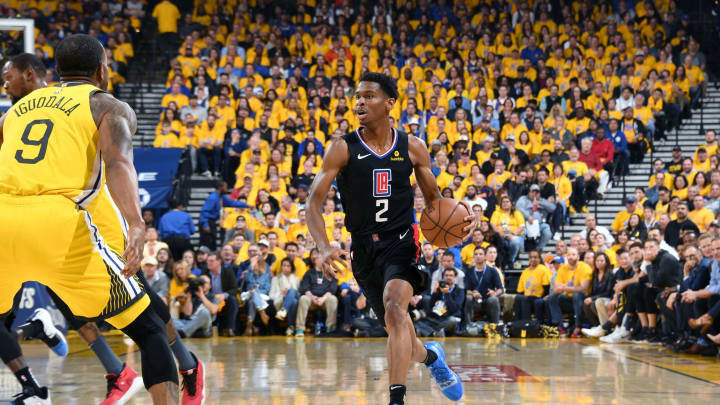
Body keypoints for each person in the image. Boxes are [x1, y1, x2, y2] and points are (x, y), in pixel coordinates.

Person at [2, 51, 206, 405]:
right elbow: (119, 161)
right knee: (144, 320)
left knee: (137, 295)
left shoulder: (14, 114)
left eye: (10, 78)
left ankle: (184, 364)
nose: (6, 84)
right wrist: (137, 223)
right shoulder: (104, 106)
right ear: (101, 69)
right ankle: (154, 368)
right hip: (69, 221)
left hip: (24, 220)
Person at [307, 73, 470, 404]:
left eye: (369, 96)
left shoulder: (413, 146)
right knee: (405, 342)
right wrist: (323, 246)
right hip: (364, 250)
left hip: (401, 242)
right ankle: (432, 358)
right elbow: (313, 202)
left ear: (390, 103)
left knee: (397, 307)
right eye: (357, 97)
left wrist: (465, 218)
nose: (360, 102)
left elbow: (436, 202)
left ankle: (397, 399)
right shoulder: (342, 148)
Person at [548, 247, 593, 338]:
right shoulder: (563, 268)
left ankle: (578, 326)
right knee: (552, 297)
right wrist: (563, 288)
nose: (571, 257)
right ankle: (560, 326)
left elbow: (584, 289)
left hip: (583, 299)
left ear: (578, 257)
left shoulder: (585, 267)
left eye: (573, 255)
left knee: (577, 295)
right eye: (569, 255)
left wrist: (565, 288)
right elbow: (556, 289)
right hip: (568, 299)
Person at [295, 248, 339, 336]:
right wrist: (313, 297)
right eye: (321, 258)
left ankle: (330, 328)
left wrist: (323, 299)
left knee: (333, 299)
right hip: (311, 300)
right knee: (303, 298)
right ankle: (300, 329)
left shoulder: (330, 273)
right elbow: (305, 288)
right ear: (315, 260)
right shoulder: (309, 273)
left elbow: (333, 289)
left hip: (325, 300)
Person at [199, 180, 250, 250]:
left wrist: (247, 205)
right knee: (206, 244)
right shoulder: (212, 197)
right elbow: (204, 211)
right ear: (220, 187)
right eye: (225, 187)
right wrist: (205, 225)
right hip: (207, 222)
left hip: (212, 222)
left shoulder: (221, 197)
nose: (227, 189)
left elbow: (232, 203)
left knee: (212, 243)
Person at [463, 247, 504, 325]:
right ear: (473, 257)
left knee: (494, 299)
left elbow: (501, 289)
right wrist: (472, 293)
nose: (478, 256)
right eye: (476, 254)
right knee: (468, 298)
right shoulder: (469, 271)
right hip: (475, 301)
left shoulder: (492, 271)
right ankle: (468, 326)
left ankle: (495, 327)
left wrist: (495, 293)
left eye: (481, 254)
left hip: (488, 301)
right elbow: (466, 290)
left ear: (485, 256)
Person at [203, 251, 238, 336]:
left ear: (219, 261)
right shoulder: (205, 272)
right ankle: (207, 328)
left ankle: (230, 328)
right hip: (210, 298)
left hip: (224, 298)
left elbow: (234, 289)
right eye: (208, 261)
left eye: (211, 261)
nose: (209, 263)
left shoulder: (228, 272)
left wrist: (224, 295)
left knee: (233, 300)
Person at [514, 250, 551, 321]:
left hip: (539, 297)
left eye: (535, 257)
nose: (533, 259)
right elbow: (520, 290)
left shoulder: (543, 269)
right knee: (518, 298)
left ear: (539, 259)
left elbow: (547, 287)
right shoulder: (525, 272)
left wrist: (543, 298)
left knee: (525, 299)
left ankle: (526, 323)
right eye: (531, 257)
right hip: (527, 298)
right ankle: (517, 324)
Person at [270, 258, 300, 336]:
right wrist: (282, 294)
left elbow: (300, 294)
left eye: (288, 266)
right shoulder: (275, 279)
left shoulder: (297, 279)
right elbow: (271, 295)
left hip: (297, 299)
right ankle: (290, 326)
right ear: (281, 267)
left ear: (291, 268)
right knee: (293, 301)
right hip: (282, 300)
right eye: (284, 265)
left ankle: (283, 311)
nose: (286, 267)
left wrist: (290, 292)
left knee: (293, 291)